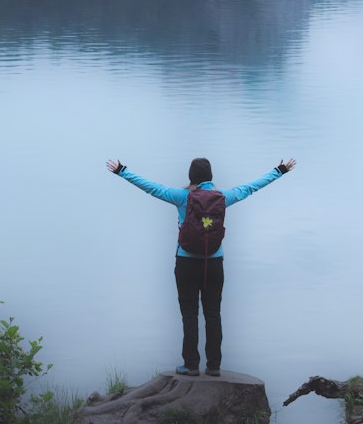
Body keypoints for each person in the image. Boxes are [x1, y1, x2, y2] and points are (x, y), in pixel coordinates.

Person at [105, 155, 296, 377]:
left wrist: (122, 171)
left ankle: (191, 364)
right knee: (213, 313)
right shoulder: (223, 197)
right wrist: (279, 170)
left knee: (190, 314)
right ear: (210, 177)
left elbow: (151, 188)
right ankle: (214, 366)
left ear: (191, 176)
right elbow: (252, 187)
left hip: (186, 262)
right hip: (214, 262)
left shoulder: (181, 196)